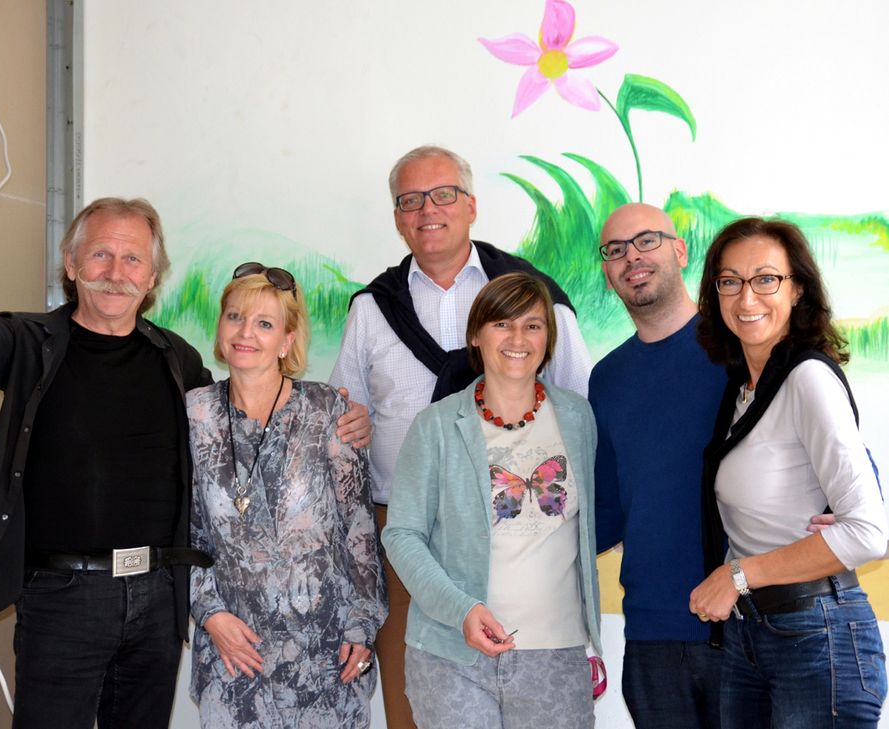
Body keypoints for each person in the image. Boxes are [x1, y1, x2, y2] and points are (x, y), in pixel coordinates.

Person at [0, 139, 370, 728]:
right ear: (72, 264)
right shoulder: (31, 344)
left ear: (151, 277)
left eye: (132, 260)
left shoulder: (175, 360)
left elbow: (253, 416)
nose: (115, 273)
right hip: (61, 600)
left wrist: (344, 418)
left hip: (157, 600)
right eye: (99, 255)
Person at [329, 144, 591, 729]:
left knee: (531, 694)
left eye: (443, 194)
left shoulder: (533, 294)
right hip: (404, 532)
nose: (428, 210)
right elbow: (343, 419)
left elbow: (580, 408)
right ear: (397, 217)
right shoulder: (372, 308)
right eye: (410, 200)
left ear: (471, 205)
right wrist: (355, 426)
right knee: (413, 695)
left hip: (524, 532)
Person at [690, 217, 888, 728]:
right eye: (729, 281)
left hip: (818, 636)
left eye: (765, 279)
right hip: (751, 634)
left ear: (797, 289)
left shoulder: (807, 378)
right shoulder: (743, 391)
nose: (746, 297)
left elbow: (870, 531)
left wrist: (736, 575)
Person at [382, 272, 602, 729]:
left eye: (533, 325)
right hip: (451, 656)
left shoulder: (578, 418)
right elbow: (403, 534)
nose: (518, 337)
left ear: (549, 339)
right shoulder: (436, 426)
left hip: (555, 655)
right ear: (476, 336)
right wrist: (461, 610)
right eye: (502, 323)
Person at [186, 263, 387, 728]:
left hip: (326, 654)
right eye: (235, 317)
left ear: (288, 340)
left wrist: (362, 625)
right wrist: (209, 614)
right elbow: (184, 530)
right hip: (234, 652)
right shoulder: (193, 414)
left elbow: (358, 528)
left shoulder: (327, 410)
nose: (245, 333)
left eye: (265, 324)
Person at [589, 203, 728, 729]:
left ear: (680, 250)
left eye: (646, 241)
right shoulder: (607, 378)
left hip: (743, 627)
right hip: (651, 634)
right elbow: (604, 512)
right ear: (607, 272)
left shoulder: (739, 350)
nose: (632, 258)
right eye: (616, 250)